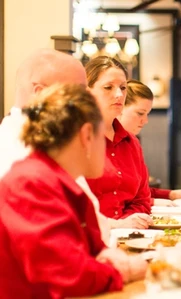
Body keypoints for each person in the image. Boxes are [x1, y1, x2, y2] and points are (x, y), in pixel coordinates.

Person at [0, 84, 147, 298]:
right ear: (87, 135)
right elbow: (70, 275)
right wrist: (129, 270)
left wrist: (108, 256)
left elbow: (90, 248)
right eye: (103, 135)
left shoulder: (60, 180)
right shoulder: (31, 183)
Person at [0, 49, 111, 243]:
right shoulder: (21, 150)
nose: (88, 102)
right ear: (41, 94)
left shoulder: (50, 138)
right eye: (77, 92)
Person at [85, 57, 153, 229]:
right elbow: (70, 207)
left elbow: (142, 199)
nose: (119, 95)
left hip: (128, 236)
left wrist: (128, 223)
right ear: (87, 91)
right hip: (88, 238)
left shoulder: (132, 143)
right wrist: (117, 225)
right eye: (108, 87)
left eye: (123, 88)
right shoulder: (75, 140)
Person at [118, 79, 181, 207]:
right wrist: (154, 202)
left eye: (147, 114)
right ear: (119, 107)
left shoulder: (133, 143)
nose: (146, 120)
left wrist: (170, 195)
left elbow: (140, 192)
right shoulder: (100, 142)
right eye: (140, 113)